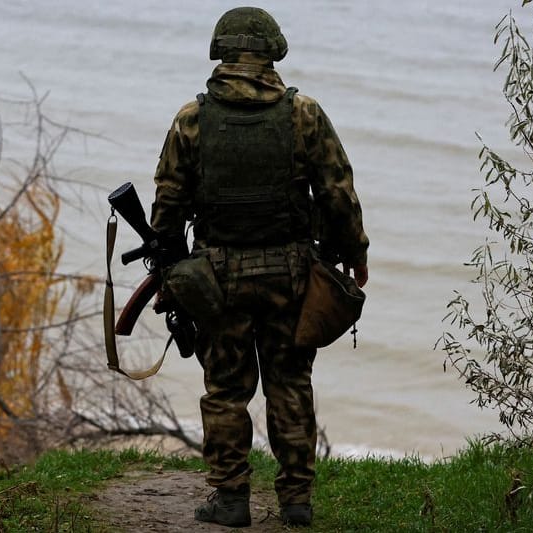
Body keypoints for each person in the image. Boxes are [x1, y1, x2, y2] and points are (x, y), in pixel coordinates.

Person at [150, 6, 369, 528]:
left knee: (226, 389)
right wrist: (354, 253)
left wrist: (172, 272)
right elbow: (338, 194)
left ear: (221, 54)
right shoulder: (304, 115)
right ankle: (296, 502)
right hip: (290, 278)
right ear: (273, 53)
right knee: (290, 382)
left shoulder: (191, 119)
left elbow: (167, 208)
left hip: (217, 281)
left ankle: (230, 500)